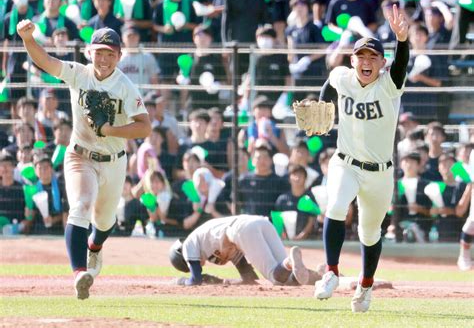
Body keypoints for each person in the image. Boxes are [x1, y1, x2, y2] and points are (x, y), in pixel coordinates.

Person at [17, 20, 151, 300]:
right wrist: (28, 39)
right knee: (80, 205)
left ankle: (95, 247)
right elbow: (47, 62)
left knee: (104, 220)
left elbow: (144, 126)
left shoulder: (125, 86)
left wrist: (110, 130)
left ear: (119, 56)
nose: (103, 59)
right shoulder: (79, 73)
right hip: (80, 154)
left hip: (114, 160)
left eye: (110, 53)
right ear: (89, 52)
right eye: (99, 52)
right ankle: (80, 273)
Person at [313, 5, 409, 312]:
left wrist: (402, 41)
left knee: (370, 232)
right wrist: (321, 105)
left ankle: (365, 286)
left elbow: (401, 65)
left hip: (380, 172)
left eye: (372, 57)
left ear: (382, 63)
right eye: (361, 56)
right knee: (336, 205)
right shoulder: (343, 76)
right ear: (352, 60)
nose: (366, 61)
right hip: (346, 162)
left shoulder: (389, 85)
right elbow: (330, 84)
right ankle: (331, 272)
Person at [169, 214, 322, 286]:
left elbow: (195, 280)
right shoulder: (207, 243)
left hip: (241, 229)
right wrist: (232, 282)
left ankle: (289, 262)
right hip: (259, 222)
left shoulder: (188, 245)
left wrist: (181, 281)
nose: (198, 265)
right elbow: (248, 276)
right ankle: (321, 276)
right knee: (288, 279)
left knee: (275, 277)